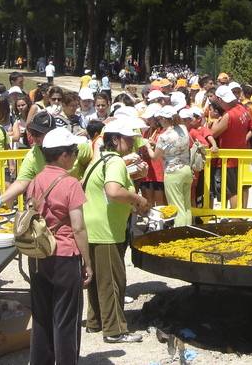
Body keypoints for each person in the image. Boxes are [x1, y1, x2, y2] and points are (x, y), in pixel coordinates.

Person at [26, 128, 92, 364]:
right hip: (65, 253)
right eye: (74, 152)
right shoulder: (71, 183)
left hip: (38, 253)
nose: (75, 156)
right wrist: (88, 262)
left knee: (41, 316)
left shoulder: (35, 181)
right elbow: (78, 227)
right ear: (63, 155)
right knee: (66, 318)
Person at [82, 119, 148, 344]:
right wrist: (137, 198)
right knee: (112, 280)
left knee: (97, 279)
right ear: (115, 139)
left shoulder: (98, 159)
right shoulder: (116, 162)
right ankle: (115, 330)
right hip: (106, 230)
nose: (131, 143)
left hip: (91, 226)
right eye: (128, 139)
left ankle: (96, 321)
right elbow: (112, 191)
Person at [211, 85, 252, 208]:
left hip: (229, 159)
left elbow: (213, 133)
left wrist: (215, 121)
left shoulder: (228, 116)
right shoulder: (243, 109)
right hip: (241, 155)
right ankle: (240, 214)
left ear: (220, 100)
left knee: (231, 191)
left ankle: (235, 217)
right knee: (240, 187)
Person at [149, 106, 192, 226]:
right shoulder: (183, 128)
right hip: (186, 168)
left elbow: (154, 156)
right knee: (186, 206)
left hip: (173, 172)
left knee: (176, 206)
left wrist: (148, 146)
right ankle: (188, 231)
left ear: (164, 118)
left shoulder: (163, 136)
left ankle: (180, 233)